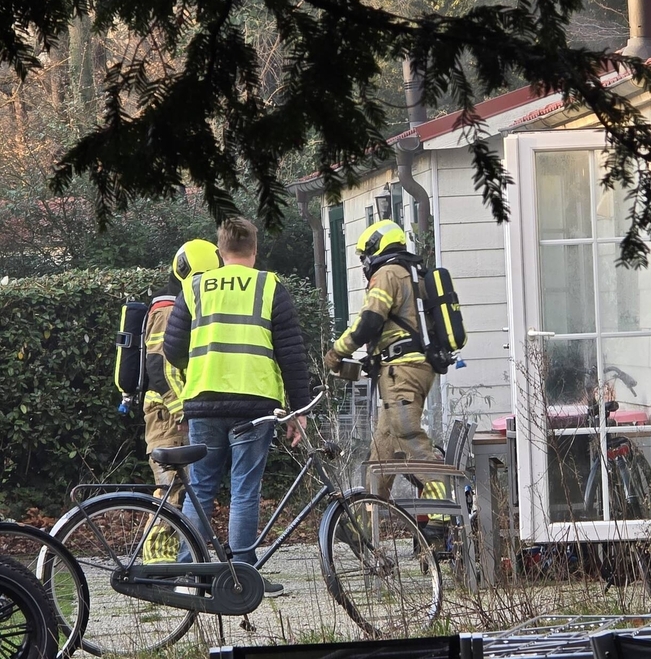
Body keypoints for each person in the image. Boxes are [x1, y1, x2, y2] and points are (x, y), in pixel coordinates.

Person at [164, 217, 310, 596]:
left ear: (220, 248)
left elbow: (173, 350)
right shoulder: (269, 285)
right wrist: (300, 409)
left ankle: (189, 574)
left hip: (204, 402)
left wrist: (202, 365)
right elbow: (291, 354)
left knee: (202, 486)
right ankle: (242, 577)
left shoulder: (194, 288)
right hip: (254, 404)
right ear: (254, 248)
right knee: (244, 489)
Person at [322, 219, 447, 545]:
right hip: (404, 368)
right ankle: (362, 523)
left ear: (376, 249)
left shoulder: (389, 272)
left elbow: (370, 320)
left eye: (364, 257)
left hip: (402, 372)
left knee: (407, 432)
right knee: (381, 454)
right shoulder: (409, 272)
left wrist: (337, 351)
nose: (364, 265)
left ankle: (442, 502)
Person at [141, 239, 222, 564]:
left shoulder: (180, 304)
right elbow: (158, 366)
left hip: (175, 412)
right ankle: (157, 567)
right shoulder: (168, 309)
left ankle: (174, 564)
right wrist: (181, 410)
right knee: (170, 491)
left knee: (183, 491)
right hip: (167, 416)